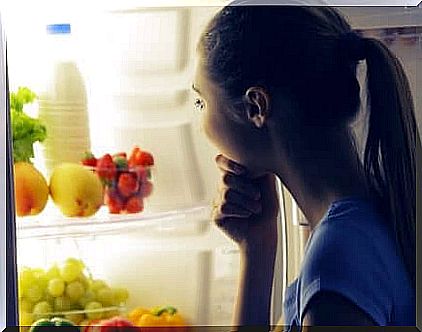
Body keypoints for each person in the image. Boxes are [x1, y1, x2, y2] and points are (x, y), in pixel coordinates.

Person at [191, 3, 419, 330]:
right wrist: (256, 246)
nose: (203, 124)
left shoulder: (336, 262)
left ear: (256, 106)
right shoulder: (363, 218)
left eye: (203, 102)